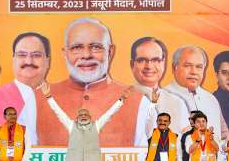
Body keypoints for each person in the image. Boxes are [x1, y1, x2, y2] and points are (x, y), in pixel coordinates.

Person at [35, 17, 154, 147]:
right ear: (65, 53)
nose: (86, 55)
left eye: (96, 47)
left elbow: (148, 159)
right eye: (77, 47)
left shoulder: (138, 101)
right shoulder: (36, 100)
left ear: (110, 52)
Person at [41, 82, 131, 161]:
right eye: (81, 114)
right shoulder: (71, 125)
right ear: (77, 118)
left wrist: (121, 100)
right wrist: (48, 96)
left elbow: (109, 113)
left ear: (90, 117)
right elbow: (58, 112)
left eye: (85, 114)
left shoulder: (96, 125)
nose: (83, 116)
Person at [0, 33, 48, 145]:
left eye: (36, 55)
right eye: (22, 55)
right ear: (13, 59)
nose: (28, 61)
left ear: (47, 61)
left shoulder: (59, 98)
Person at [164, 45, 228, 141]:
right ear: (174, 68)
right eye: (187, 66)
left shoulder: (211, 99)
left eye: (199, 67)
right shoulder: (162, 98)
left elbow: (224, 137)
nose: (194, 72)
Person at [130, 37, 190, 137]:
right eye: (142, 60)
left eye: (155, 60)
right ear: (132, 64)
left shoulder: (177, 103)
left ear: (163, 63)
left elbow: (186, 146)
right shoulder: (121, 101)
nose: (149, 66)